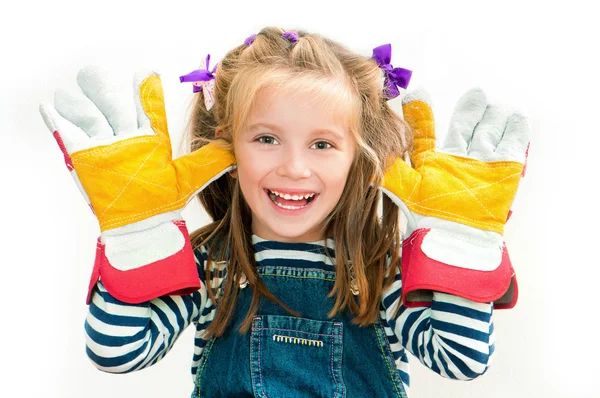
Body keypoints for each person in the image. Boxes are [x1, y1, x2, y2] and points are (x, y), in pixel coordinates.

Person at [40, 26, 529, 397]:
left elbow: (460, 361)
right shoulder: (210, 261)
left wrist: (463, 247)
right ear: (225, 151)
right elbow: (115, 353)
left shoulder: (380, 267)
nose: (294, 168)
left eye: (322, 144)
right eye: (266, 139)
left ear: (360, 160)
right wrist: (137, 234)